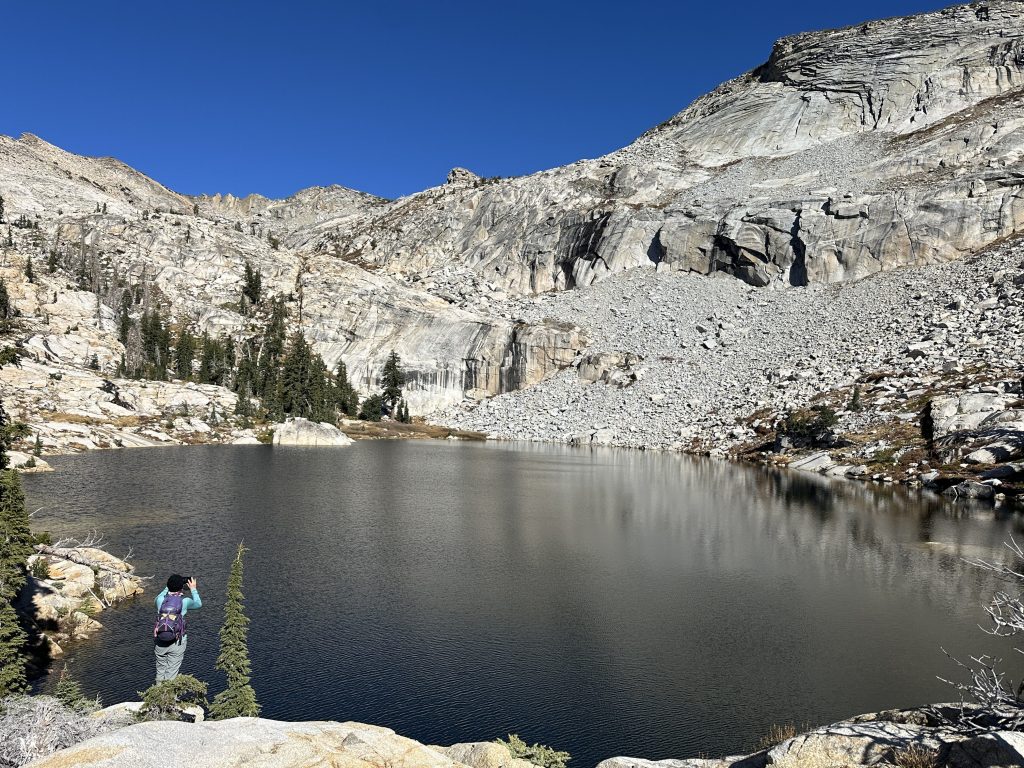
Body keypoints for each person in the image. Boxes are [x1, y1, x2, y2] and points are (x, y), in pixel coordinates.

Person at [153, 574, 201, 682]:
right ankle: (169, 698)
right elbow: (198, 604)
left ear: (168, 586)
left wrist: (168, 587)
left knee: (160, 671)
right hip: (177, 642)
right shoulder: (185, 601)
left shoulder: (160, 600)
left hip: (160, 640)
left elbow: (157, 598)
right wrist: (193, 589)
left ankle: (157, 697)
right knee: (171, 674)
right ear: (181, 588)